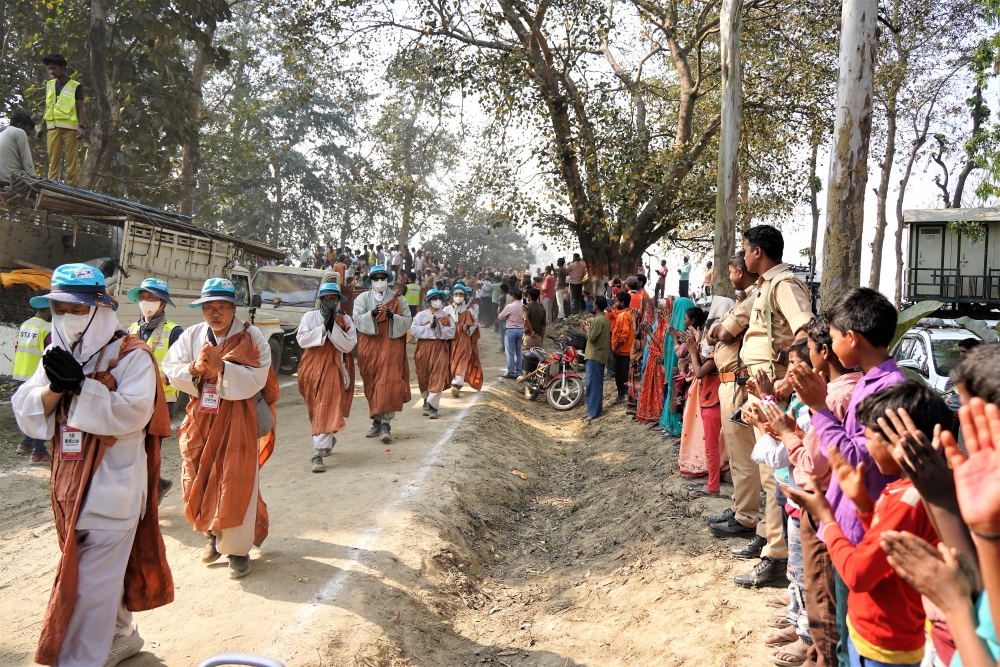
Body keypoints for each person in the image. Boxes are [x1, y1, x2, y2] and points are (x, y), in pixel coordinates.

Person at [12, 264, 173, 666]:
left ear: (101, 308)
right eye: (60, 307)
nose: (67, 316)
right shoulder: (56, 350)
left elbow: (132, 415)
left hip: (111, 492)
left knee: (87, 589)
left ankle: (79, 659)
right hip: (69, 486)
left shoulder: (132, 355)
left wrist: (83, 387)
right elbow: (28, 409)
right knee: (97, 578)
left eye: (78, 308)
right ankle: (124, 634)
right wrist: (55, 387)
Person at [783, 381, 949, 667]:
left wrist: (828, 519)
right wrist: (862, 504)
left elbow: (857, 574)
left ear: (897, 441)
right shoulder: (901, 489)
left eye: (868, 436)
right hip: (877, 636)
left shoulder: (906, 501)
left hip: (885, 645)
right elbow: (884, 544)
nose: (865, 446)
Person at [786, 287, 905, 655]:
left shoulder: (888, 389)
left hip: (857, 526)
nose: (830, 344)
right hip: (843, 517)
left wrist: (819, 409)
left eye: (833, 337)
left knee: (844, 637)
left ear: (851, 338)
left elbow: (856, 460)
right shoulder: (871, 382)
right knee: (843, 625)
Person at [162, 278, 278, 579]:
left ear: (233, 308)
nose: (215, 314)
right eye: (209, 308)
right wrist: (196, 370)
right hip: (202, 417)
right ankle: (212, 536)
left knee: (236, 480)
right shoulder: (192, 336)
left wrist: (224, 368)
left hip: (239, 418)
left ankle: (238, 552)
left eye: (222, 307)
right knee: (197, 475)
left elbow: (258, 376)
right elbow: (170, 366)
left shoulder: (252, 337)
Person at [772, 314, 861, 667]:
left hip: (823, 507)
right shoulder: (839, 390)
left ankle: (819, 655)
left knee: (822, 592)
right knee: (812, 583)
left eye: (808, 351)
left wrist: (787, 433)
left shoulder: (835, 396)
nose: (805, 360)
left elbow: (813, 463)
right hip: (821, 505)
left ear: (825, 350)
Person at [729, 225, 813, 589]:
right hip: (761, 388)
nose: (743, 256)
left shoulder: (784, 285)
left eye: (745, 250)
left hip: (773, 389)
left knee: (773, 474)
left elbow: (806, 332)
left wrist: (788, 377)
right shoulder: (765, 285)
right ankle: (769, 538)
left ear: (758, 252)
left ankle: (777, 557)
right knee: (765, 470)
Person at [702, 252, 761, 549]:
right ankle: (740, 508)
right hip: (729, 383)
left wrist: (716, 330)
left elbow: (722, 333)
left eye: (731, 270)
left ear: (739, 270)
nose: (729, 276)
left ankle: (747, 517)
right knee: (736, 453)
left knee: (743, 453)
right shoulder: (741, 300)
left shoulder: (753, 299)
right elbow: (716, 334)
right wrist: (716, 332)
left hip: (738, 384)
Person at [126, 277, 183, 504]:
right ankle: (155, 484)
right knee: (133, 448)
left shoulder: (175, 332)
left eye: (152, 298)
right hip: (135, 397)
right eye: (143, 297)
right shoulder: (132, 329)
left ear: (163, 303)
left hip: (162, 400)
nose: (146, 301)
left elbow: (184, 368)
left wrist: (162, 377)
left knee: (151, 449)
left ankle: (148, 498)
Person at [296, 283, 356, 473]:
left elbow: (348, 345)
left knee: (326, 405)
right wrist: (323, 328)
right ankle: (328, 437)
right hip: (310, 368)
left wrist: (333, 329)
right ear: (321, 299)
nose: (330, 302)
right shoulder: (309, 317)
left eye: (334, 298)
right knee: (316, 408)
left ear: (339, 300)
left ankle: (318, 454)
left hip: (333, 367)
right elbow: (302, 340)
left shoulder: (345, 319)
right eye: (327, 298)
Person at [351, 264, 413, 441]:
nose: (379, 281)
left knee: (388, 381)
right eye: (376, 278)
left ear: (387, 279)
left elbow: (408, 321)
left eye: (382, 278)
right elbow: (356, 319)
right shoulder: (362, 298)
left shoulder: (398, 299)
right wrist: (372, 314)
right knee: (372, 382)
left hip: (391, 344)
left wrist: (393, 317)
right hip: (369, 346)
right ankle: (376, 422)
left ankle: (386, 424)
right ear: (370, 280)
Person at [12, 294, 52, 464]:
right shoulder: (47, 328)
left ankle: (25, 443)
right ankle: (38, 451)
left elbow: (17, 347)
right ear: (49, 309)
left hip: (21, 371)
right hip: (36, 374)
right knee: (40, 412)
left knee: (29, 408)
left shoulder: (25, 324)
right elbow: (51, 351)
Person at [410, 289, 456, 418]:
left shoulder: (446, 317)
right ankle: (426, 398)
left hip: (439, 348)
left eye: (439, 298)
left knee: (438, 376)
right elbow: (414, 331)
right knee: (423, 375)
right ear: (429, 301)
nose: (437, 300)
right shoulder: (420, 316)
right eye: (434, 298)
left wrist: (438, 327)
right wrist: (430, 327)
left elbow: (451, 332)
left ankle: (433, 407)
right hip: (423, 349)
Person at [41, 55, 85, 186]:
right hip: (53, 128)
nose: (51, 72)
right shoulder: (49, 85)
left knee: (71, 163)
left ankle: (71, 189)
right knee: (53, 162)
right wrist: (40, 126)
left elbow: (81, 108)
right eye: (49, 69)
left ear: (63, 67)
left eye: (54, 68)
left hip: (71, 129)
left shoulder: (75, 86)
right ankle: (51, 187)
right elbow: (48, 107)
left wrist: (81, 127)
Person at [636, 298, 671, 424]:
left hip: (660, 362)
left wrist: (649, 333)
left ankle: (659, 416)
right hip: (653, 360)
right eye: (659, 309)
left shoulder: (668, 326)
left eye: (662, 309)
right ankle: (649, 413)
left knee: (659, 389)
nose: (660, 311)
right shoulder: (660, 325)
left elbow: (663, 344)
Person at [445, 285, 483, 397]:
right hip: (450, 338)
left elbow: (475, 322)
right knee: (451, 359)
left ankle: (456, 384)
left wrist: (468, 327)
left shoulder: (468, 310)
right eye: (456, 295)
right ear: (452, 296)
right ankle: (454, 380)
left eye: (461, 295)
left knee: (462, 359)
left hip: (464, 337)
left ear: (464, 297)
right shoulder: (446, 310)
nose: (458, 297)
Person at [584, 295, 611, 423]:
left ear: (596, 306)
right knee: (597, 384)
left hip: (594, 355)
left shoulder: (598, 320)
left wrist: (587, 330)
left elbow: (591, 337)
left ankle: (593, 413)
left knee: (592, 385)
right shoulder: (604, 319)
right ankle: (596, 410)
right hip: (600, 355)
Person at [609, 291, 634, 405]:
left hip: (622, 350)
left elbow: (624, 334)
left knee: (620, 373)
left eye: (617, 301)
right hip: (627, 349)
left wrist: (617, 348)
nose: (616, 303)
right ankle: (624, 392)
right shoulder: (628, 313)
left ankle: (621, 396)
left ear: (622, 303)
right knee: (624, 372)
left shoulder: (623, 316)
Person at [497, 286, 525, 379]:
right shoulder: (524, 306)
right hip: (521, 329)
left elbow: (500, 316)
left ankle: (511, 372)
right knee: (518, 352)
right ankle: (519, 371)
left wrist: (507, 317)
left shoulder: (510, 306)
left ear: (513, 297)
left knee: (510, 352)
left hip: (511, 330)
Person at [0, 112, 36, 182]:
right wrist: (34, 180)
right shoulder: (19, 132)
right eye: (29, 128)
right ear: (20, 125)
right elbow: (27, 162)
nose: (30, 133)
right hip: (12, 177)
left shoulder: (2, 132)